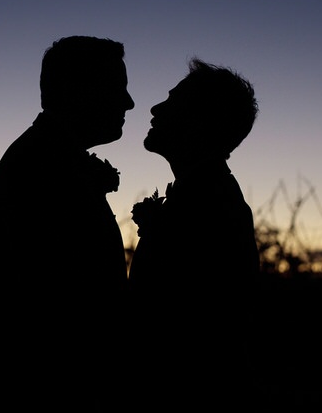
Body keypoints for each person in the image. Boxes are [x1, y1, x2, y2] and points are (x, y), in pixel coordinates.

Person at [0, 35, 134, 410]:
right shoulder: (43, 165)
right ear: (80, 91)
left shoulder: (51, 155)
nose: (128, 102)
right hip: (54, 390)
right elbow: (60, 301)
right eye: (118, 88)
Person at [127, 57, 260, 409]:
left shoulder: (210, 206)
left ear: (200, 122)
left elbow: (188, 328)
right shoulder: (203, 194)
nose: (155, 108)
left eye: (173, 101)